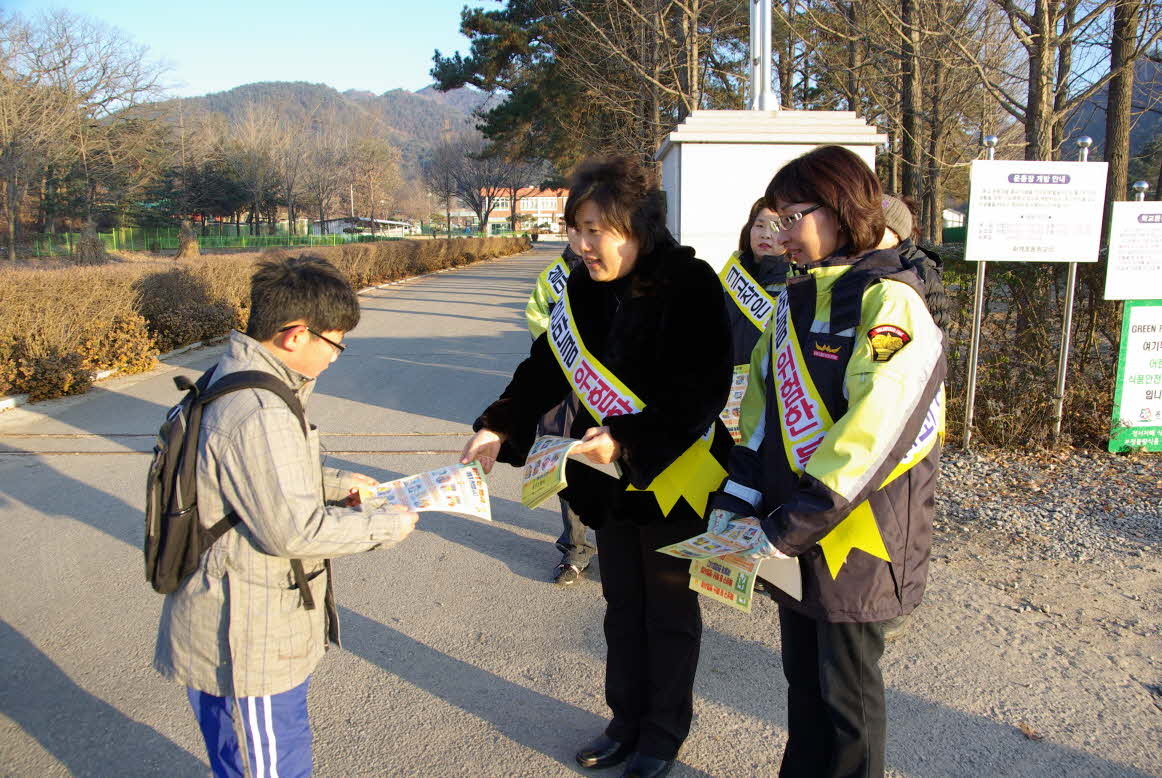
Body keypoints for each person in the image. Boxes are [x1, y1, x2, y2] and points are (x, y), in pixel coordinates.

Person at [461, 155, 732, 778]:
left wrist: (630, 439)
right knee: (621, 605)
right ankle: (625, 721)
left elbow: (703, 390)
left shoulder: (688, 283)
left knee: (668, 613)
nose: (582, 245)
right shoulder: (580, 287)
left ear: (637, 228)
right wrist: (498, 424)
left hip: (674, 476)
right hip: (607, 483)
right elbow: (544, 366)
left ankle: (661, 734)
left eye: (595, 231)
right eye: (575, 229)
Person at [709, 146, 945, 777]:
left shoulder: (890, 303)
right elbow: (761, 418)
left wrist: (788, 526)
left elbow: (874, 432)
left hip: (856, 537)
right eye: (775, 218)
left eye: (793, 216)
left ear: (841, 210)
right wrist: (737, 501)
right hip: (793, 532)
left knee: (847, 700)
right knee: (803, 685)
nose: (781, 234)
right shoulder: (795, 298)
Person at [154, 256, 420, 778]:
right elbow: (295, 530)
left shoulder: (236, 377)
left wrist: (341, 486)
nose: (336, 357)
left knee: (250, 757)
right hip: (245, 636)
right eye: (335, 343)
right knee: (270, 764)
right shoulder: (260, 410)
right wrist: (390, 525)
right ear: (296, 334)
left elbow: (259, 477)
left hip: (236, 615)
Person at [525, 239, 595, 585]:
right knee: (564, 465)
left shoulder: (619, 269)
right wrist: (564, 354)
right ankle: (575, 550)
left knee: (614, 467)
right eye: (575, 227)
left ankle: (621, 546)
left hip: (607, 389)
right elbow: (536, 316)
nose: (583, 237)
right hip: (562, 386)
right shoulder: (552, 276)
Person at [718, 198, 791, 443]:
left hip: (765, 391)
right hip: (722, 387)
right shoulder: (731, 275)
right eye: (759, 225)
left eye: (776, 226)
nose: (766, 234)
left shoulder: (795, 281)